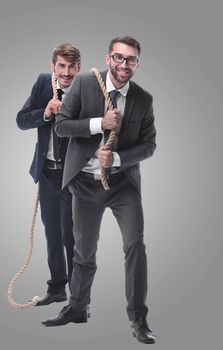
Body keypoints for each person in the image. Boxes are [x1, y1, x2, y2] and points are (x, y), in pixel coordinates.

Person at [42, 35, 157, 344]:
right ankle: (78, 308)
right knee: (83, 251)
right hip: (84, 183)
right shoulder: (83, 84)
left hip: (123, 186)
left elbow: (149, 145)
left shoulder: (143, 99)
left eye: (130, 59)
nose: (123, 64)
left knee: (135, 246)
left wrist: (118, 158)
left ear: (137, 64)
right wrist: (99, 123)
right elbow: (61, 126)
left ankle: (139, 318)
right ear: (108, 59)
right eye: (118, 58)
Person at [16, 43, 81, 306]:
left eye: (71, 67)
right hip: (46, 173)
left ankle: (79, 296)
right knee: (52, 234)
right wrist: (45, 112)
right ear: (53, 66)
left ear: (79, 67)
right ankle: (56, 289)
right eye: (61, 66)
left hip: (73, 176)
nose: (66, 72)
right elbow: (22, 120)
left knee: (71, 236)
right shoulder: (44, 83)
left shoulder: (86, 88)